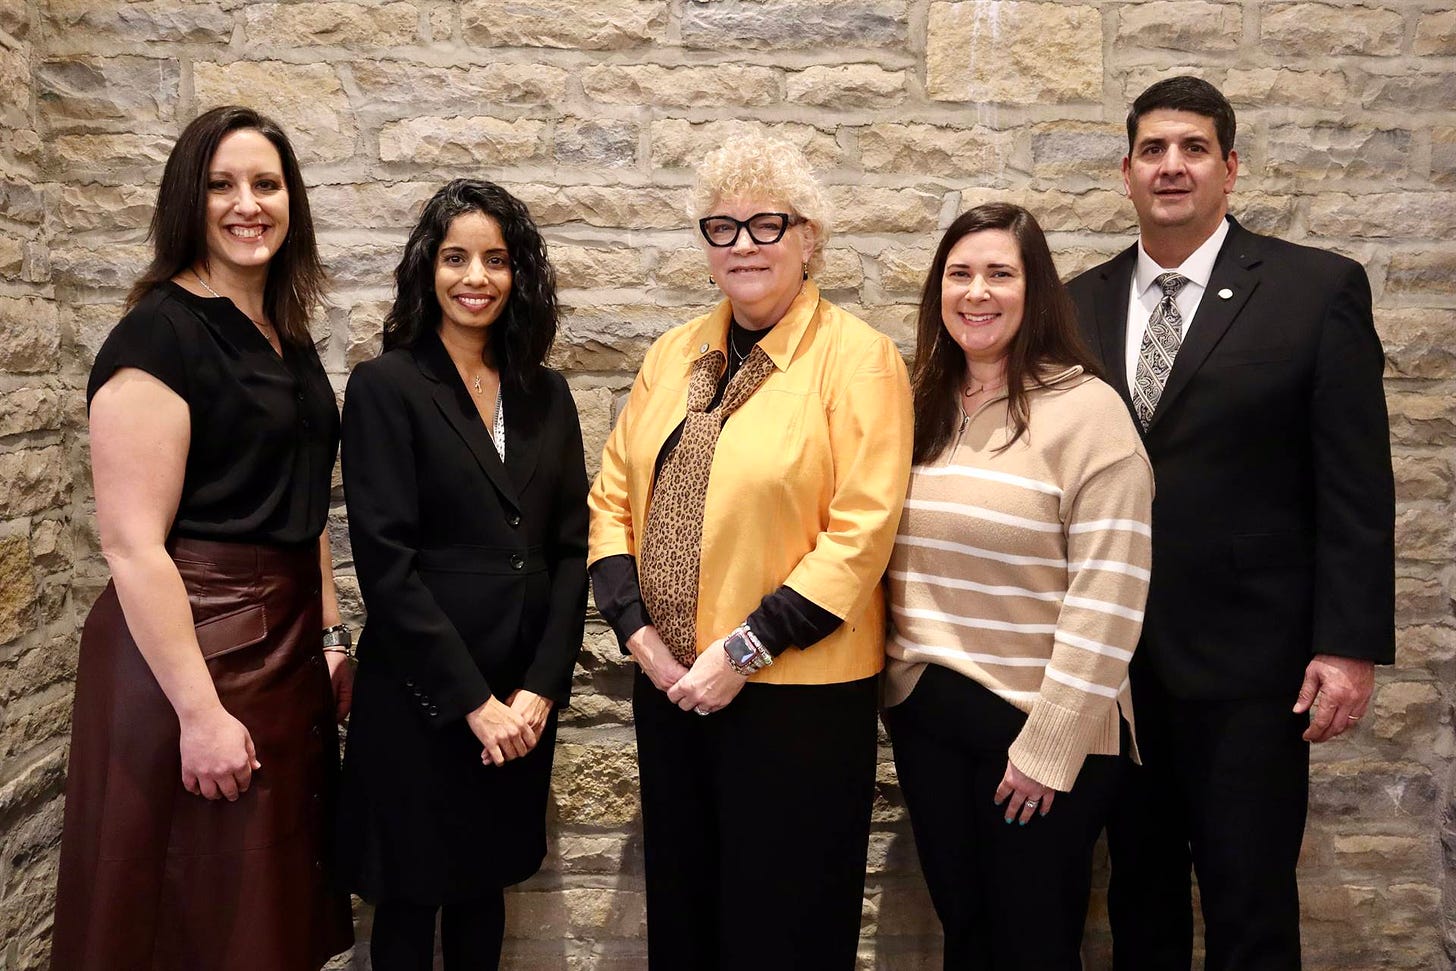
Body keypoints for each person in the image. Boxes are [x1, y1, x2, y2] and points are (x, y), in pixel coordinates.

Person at [1066, 76, 1395, 969]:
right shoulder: (1074, 302)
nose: (1172, 166)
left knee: (1249, 903)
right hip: (1114, 667)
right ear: (1126, 172)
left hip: (1254, 669)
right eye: (1153, 150)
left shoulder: (1313, 288)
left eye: (1193, 148)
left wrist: (1349, 643)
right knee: (1138, 900)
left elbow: (1357, 482)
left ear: (1230, 167)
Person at [587, 131, 913, 970]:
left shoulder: (860, 359)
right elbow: (615, 497)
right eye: (721, 227)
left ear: (810, 238)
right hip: (672, 689)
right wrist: (641, 639)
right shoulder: (674, 354)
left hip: (795, 698)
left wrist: (744, 647)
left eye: (767, 224)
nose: (743, 245)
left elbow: (862, 531)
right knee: (688, 915)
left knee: (787, 924)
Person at [52, 105, 353, 970]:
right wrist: (198, 713)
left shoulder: (285, 337)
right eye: (222, 185)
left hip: (285, 651)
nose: (246, 203)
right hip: (194, 655)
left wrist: (331, 640)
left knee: (265, 915)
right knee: (189, 918)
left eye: (265, 183)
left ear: (291, 199)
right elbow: (133, 546)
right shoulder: (158, 334)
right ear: (189, 200)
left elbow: (305, 510)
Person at [883, 203, 1153, 969]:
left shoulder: (1089, 414)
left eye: (1001, 273)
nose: (978, 292)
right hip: (930, 716)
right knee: (966, 936)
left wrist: (1050, 744)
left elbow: (1110, 593)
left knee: (1034, 945)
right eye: (960, 274)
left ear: (1036, 292)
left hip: (1038, 727)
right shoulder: (921, 404)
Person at [335, 178, 588, 971]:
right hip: (426, 702)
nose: (475, 277)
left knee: (485, 895)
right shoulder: (386, 386)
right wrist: (475, 705)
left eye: (496, 259)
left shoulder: (547, 394)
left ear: (521, 275)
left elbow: (573, 548)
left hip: (521, 703)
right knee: (409, 909)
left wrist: (540, 689)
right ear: (427, 269)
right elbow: (387, 565)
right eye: (455, 257)